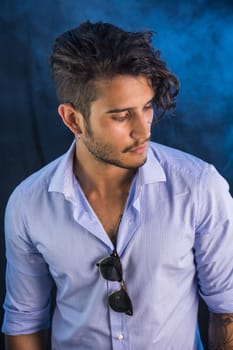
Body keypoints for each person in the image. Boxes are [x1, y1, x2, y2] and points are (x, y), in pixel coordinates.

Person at [2, 20, 233, 350]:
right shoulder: (28, 203)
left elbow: (227, 308)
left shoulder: (200, 187)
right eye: (122, 115)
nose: (144, 130)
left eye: (147, 107)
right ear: (72, 119)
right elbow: (25, 320)